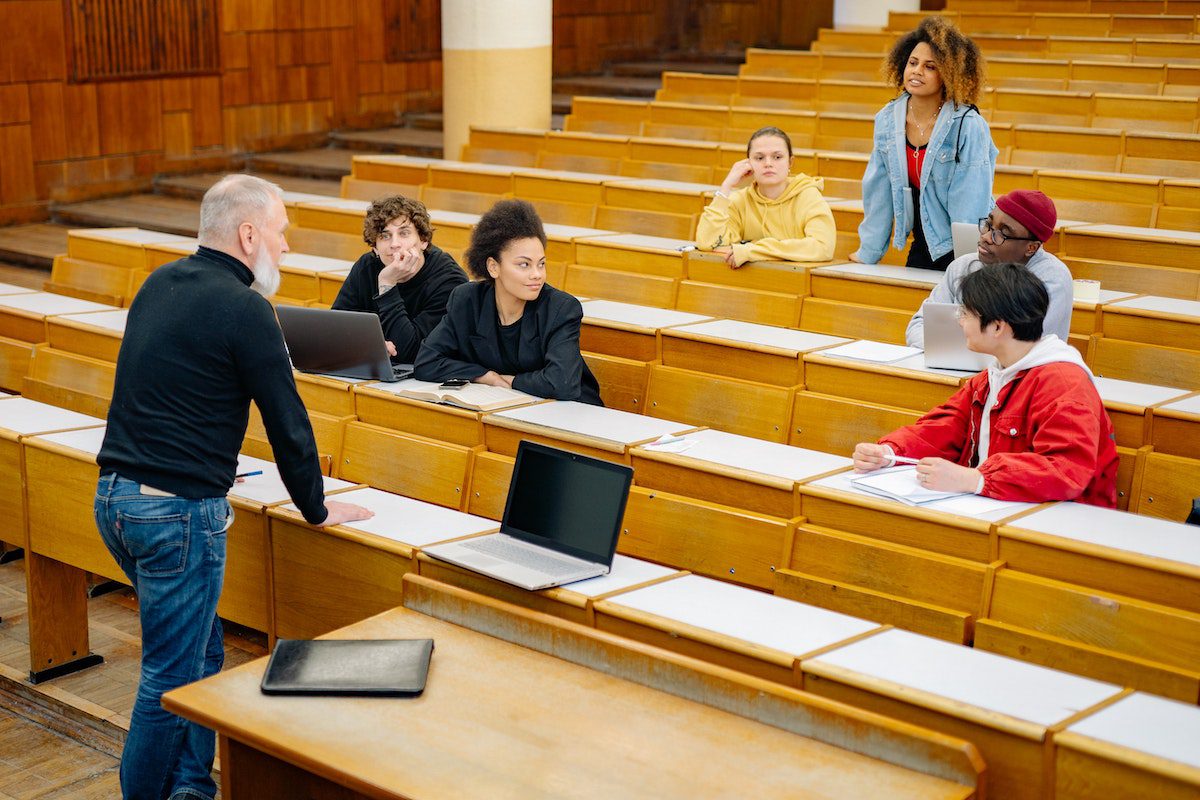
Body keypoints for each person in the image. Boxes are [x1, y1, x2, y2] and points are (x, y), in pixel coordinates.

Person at [94, 174, 373, 800]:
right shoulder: (248, 308)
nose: (286, 247)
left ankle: (191, 789)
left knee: (203, 655)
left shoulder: (158, 283)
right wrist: (317, 508)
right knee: (167, 675)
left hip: (115, 500)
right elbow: (287, 421)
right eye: (280, 232)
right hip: (174, 515)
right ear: (249, 234)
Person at [853, 262, 1118, 507]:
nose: (960, 321)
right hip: (1003, 505)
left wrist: (975, 479)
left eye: (966, 313)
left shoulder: (1063, 384)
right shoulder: (997, 372)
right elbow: (947, 424)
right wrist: (889, 452)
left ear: (997, 327)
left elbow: (1065, 469)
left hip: (1056, 520)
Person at [414, 199, 603, 405]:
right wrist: (484, 376)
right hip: (505, 409)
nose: (537, 275)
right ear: (493, 267)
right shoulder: (466, 300)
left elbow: (561, 383)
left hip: (570, 412)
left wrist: (511, 381)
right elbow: (427, 362)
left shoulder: (561, 308)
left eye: (541, 264)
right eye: (524, 265)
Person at [851, 16, 998, 271]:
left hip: (969, 246)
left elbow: (970, 203)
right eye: (913, 63)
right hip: (925, 239)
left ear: (948, 75)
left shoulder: (968, 124)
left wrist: (966, 265)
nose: (917, 71)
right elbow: (878, 191)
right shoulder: (887, 119)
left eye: (930, 66)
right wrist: (868, 252)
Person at [906, 189, 1072, 347]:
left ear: (1031, 248)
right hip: (953, 369)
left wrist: (964, 349)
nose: (986, 237)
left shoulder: (1051, 279)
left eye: (1003, 233)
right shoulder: (962, 267)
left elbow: (1025, 347)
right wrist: (954, 352)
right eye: (988, 225)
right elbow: (918, 326)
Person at [331, 195, 467, 363]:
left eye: (404, 233)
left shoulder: (450, 281)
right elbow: (336, 327)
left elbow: (411, 353)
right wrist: (370, 346)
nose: (394, 244)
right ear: (374, 247)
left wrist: (387, 285)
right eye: (385, 236)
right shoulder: (366, 267)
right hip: (376, 366)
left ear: (423, 240)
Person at [695, 126, 836, 267]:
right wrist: (726, 187)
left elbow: (823, 247)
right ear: (748, 163)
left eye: (777, 157)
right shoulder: (740, 200)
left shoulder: (808, 195)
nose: (768, 164)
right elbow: (708, 243)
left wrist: (753, 250)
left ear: (790, 162)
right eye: (759, 158)